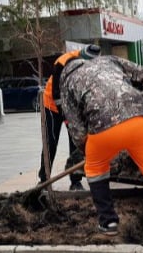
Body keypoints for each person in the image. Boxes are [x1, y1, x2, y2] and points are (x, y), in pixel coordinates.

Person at [59, 54, 143, 245]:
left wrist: (91, 152)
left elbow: (77, 130)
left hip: (101, 129)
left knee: (95, 169)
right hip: (139, 121)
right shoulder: (109, 60)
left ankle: (108, 223)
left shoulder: (67, 84)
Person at [38, 46, 100, 190]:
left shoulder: (93, 65)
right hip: (52, 105)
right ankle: (44, 180)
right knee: (50, 142)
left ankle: (76, 181)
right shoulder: (63, 61)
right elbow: (56, 93)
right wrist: (65, 116)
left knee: (76, 142)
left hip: (73, 106)